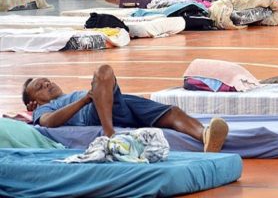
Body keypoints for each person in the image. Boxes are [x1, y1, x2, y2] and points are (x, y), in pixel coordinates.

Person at [22, 64, 229, 153]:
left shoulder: (68, 95)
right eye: (40, 87)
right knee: (103, 71)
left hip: (118, 103)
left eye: (47, 80)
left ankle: (205, 136)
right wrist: (85, 100)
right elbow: (49, 122)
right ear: (34, 102)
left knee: (172, 112)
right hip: (93, 113)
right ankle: (110, 134)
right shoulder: (44, 108)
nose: (47, 84)